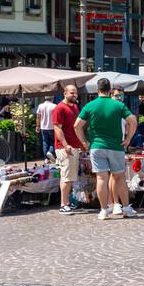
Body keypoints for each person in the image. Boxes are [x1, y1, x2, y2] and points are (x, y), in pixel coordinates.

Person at [79, 76, 137, 221]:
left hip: (97, 146)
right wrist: (128, 138)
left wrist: (84, 141)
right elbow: (132, 120)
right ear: (110, 90)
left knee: (101, 178)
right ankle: (126, 208)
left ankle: (104, 210)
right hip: (116, 146)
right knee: (119, 177)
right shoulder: (118, 105)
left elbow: (77, 125)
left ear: (97, 90)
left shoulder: (90, 105)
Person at [52, 85, 84, 215]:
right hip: (65, 147)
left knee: (70, 177)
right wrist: (65, 145)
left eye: (76, 93)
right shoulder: (59, 108)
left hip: (74, 146)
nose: (75, 95)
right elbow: (57, 128)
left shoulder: (75, 107)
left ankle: (67, 202)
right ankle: (63, 204)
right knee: (66, 176)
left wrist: (81, 143)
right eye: (72, 93)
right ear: (65, 93)